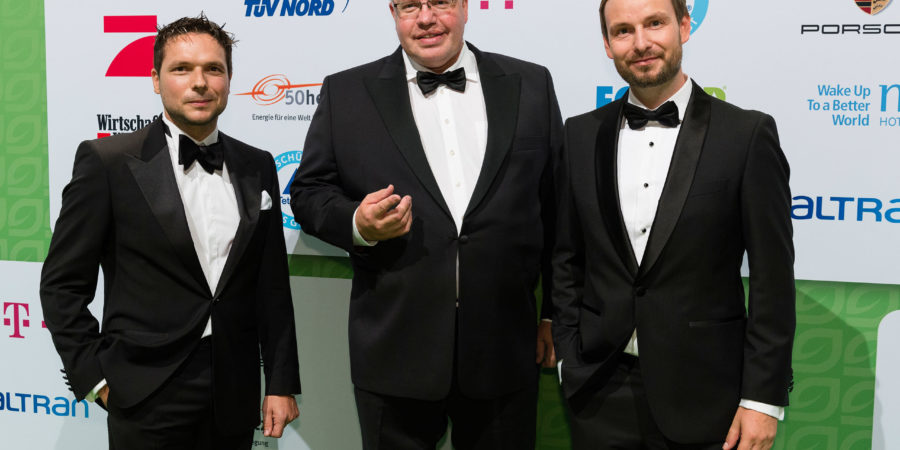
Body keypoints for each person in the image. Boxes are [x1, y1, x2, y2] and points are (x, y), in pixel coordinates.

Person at [290, 0, 561, 448]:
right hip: (394, 351)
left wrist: (553, 311)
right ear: (393, 12)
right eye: (410, 5)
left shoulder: (531, 83)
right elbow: (308, 192)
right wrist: (358, 223)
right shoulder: (346, 92)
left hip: (503, 348)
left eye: (440, 2)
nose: (426, 17)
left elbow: (556, 208)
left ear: (466, 7)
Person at [39, 15, 300, 450]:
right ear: (156, 80)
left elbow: (270, 285)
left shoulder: (258, 164)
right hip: (143, 392)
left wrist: (280, 380)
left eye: (213, 69)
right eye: (182, 69)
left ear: (228, 80)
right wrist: (96, 379)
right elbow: (61, 285)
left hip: (233, 391)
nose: (199, 82)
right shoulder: (107, 162)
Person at [552, 0, 795, 448]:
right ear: (606, 44)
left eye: (655, 23)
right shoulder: (580, 134)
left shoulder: (746, 135)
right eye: (623, 31)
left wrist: (762, 399)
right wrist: (570, 356)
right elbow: (567, 257)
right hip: (599, 391)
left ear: (684, 26)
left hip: (708, 393)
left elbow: (772, 280)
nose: (641, 42)